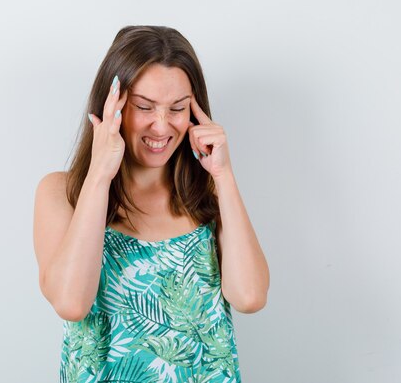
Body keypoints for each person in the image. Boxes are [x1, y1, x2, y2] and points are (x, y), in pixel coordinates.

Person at [33, 25, 270, 383]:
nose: (162, 127)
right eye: (144, 107)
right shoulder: (62, 192)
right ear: (112, 106)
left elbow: (250, 296)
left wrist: (223, 176)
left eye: (177, 108)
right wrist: (99, 174)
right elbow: (71, 303)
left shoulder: (207, 190)